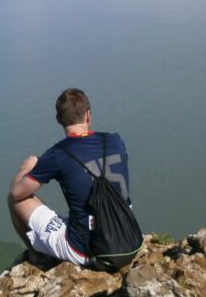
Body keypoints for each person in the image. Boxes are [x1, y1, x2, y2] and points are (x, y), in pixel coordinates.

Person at [8, 88, 132, 266]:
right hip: (129, 240)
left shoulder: (58, 154)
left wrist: (28, 165)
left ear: (58, 120)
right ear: (88, 115)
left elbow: (17, 194)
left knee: (14, 201)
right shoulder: (115, 140)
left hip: (88, 251)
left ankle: (38, 258)